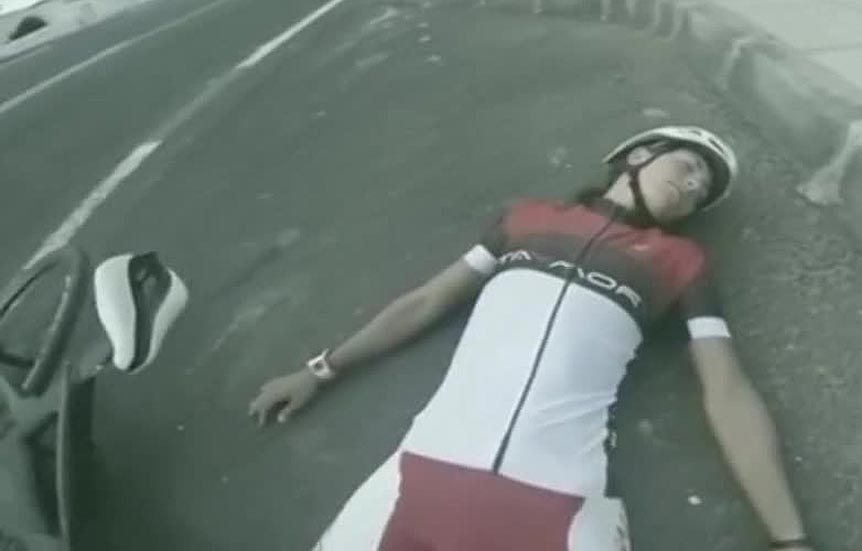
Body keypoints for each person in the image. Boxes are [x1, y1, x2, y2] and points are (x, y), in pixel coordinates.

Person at [248, 126, 815, 551]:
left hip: (561, 499)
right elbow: (426, 301)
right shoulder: (526, 219)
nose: (693, 184)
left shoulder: (680, 261)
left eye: (701, 189)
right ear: (639, 155)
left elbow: (727, 391)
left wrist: (790, 539)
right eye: (689, 165)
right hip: (421, 471)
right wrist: (320, 369)